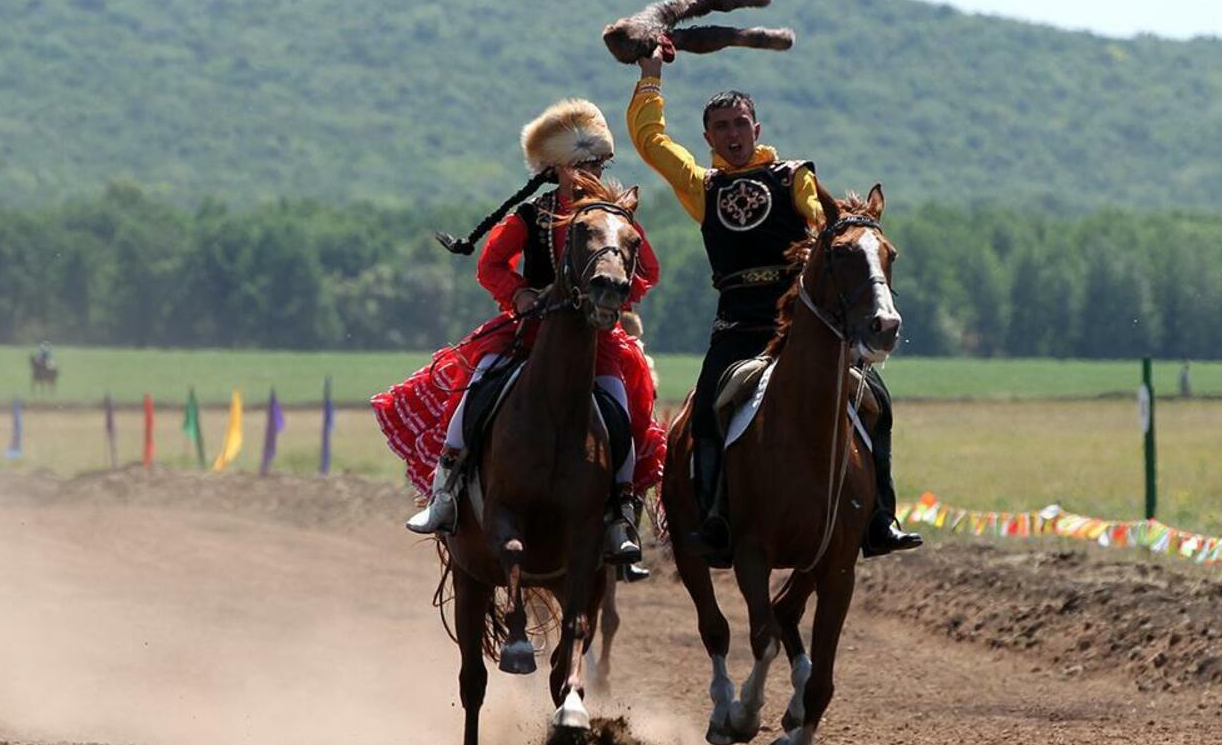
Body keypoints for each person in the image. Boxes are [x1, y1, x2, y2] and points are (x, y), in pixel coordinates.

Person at [625, 41, 919, 564]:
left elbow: (819, 213)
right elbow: (651, 141)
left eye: (741, 124)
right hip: (736, 327)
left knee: (876, 402)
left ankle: (880, 517)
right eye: (721, 127)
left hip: (804, 326)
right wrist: (651, 75)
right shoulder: (702, 186)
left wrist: (841, 231)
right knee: (707, 417)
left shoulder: (793, 177)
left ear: (756, 130)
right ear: (708, 136)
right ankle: (715, 515)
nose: (733, 135)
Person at [372, 98, 665, 579]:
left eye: (598, 163)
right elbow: (490, 267)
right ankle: (446, 492)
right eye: (583, 163)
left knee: (622, 410)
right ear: (557, 169)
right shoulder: (531, 217)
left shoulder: (616, 219)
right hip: (528, 332)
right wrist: (523, 295)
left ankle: (620, 515)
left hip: (596, 341)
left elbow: (646, 269)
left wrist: (610, 296)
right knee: (476, 389)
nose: (592, 171)